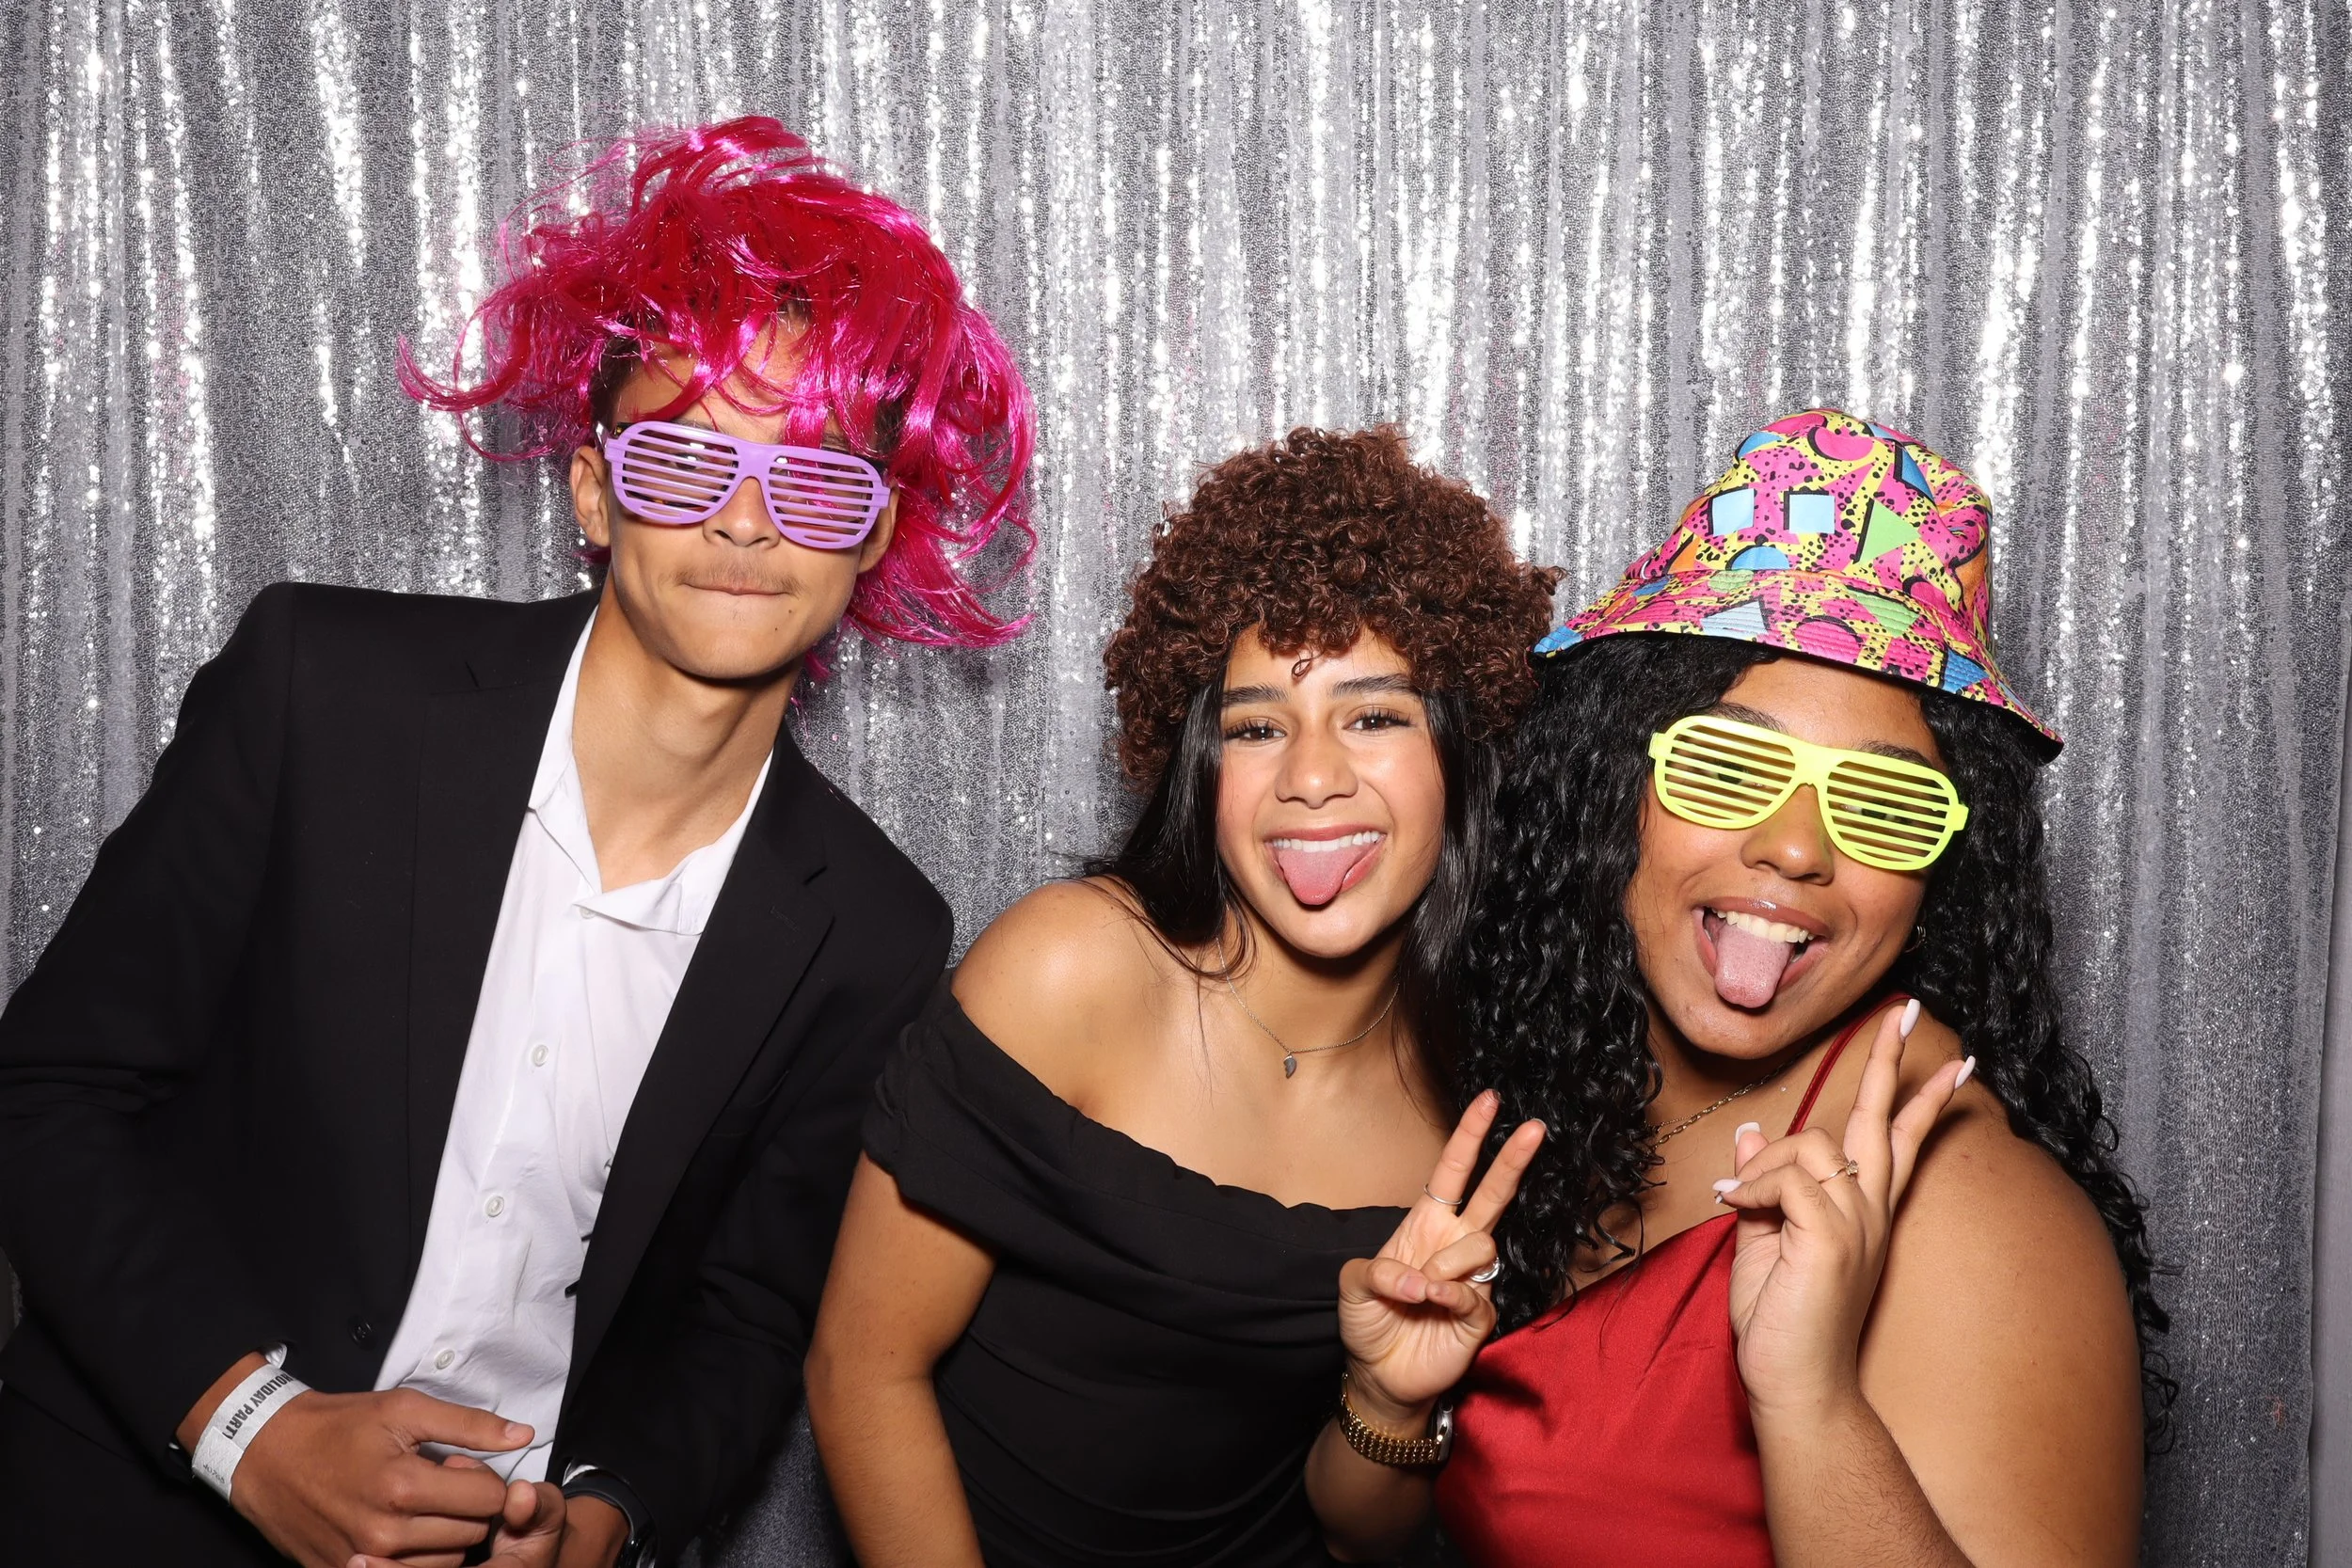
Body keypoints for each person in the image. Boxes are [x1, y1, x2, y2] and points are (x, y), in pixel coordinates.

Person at [0, 116, 1032, 1568]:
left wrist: (606, 1513)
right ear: (594, 489)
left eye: (812, 480)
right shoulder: (322, 692)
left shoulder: (873, 927)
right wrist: (248, 1427)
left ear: (872, 534)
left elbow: (743, 1315)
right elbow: (51, 1090)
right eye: (684, 462)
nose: (745, 521)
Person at [1314, 407, 2169, 1566]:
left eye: (1885, 803)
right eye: (1728, 764)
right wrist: (1390, 1399)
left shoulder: (1973, 1212)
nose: (1796, 846)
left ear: (1941, 874)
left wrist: (1808, 1400)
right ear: (1613, 784)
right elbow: (1370, 1532)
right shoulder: (1572, 1085)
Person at [804, 425, 1556, 1567]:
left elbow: (1366, 1536)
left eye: (1373, 714)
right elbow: (862, 1369)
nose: (1312, 777)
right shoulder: (1070, 971)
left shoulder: (1478, 1100)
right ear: (1203, 762)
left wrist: (1388, 1399)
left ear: (1459, 749)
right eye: (1257, 726)